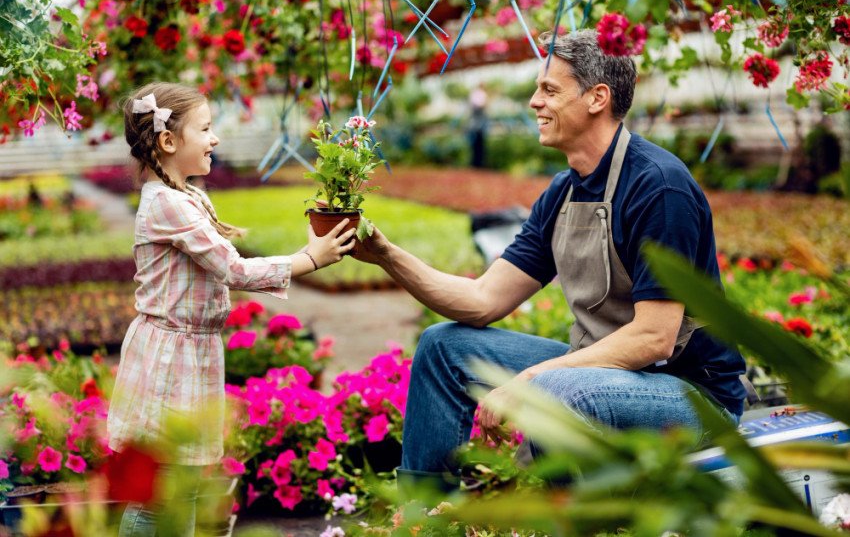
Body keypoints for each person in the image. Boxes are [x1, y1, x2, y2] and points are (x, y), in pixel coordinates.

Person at [354, 30, 747, 491]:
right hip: (600, 376)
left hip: (691, 395)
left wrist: (533, 377)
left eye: (550, 90)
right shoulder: (564, 192)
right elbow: (482, 300)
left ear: (597, 98)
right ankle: (423, 511)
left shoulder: (659, 186)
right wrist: (384, 254)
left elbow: (654, 338)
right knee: (444, 347)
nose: (533, 101)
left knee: (552, 390)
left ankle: (562, 518)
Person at [106, 82, 356, 536]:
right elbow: (233, 269)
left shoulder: (186, 195)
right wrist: (311, 257)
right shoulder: (166, 203)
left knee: (187, 481)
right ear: (168, 142)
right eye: (205, 128)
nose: (214, 138)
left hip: (192, 351)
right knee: (163, 491)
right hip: (170, 357)